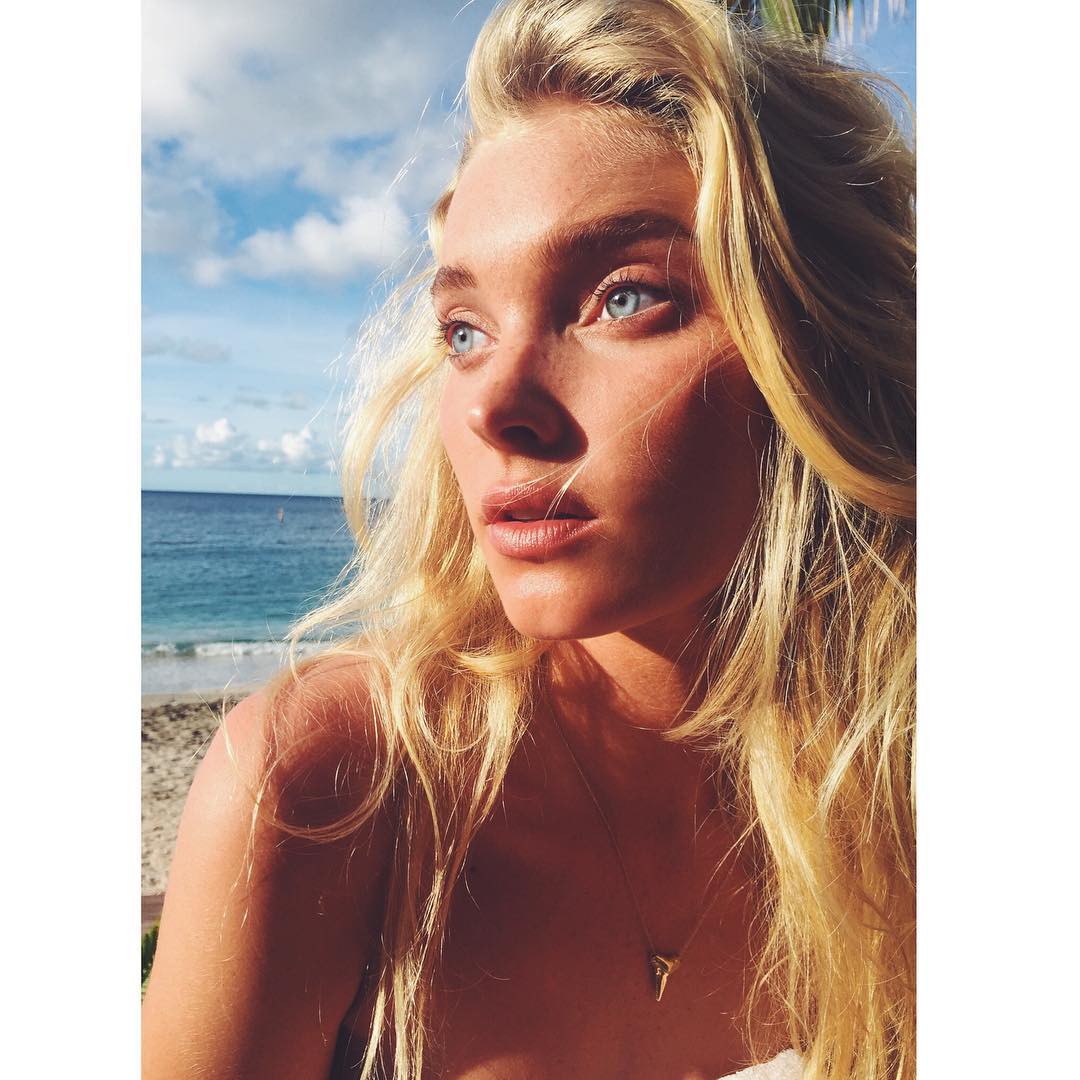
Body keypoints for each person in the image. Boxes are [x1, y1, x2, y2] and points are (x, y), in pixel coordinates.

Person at [141, 1, 915, 1077]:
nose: (495, 404)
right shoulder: (331, 793)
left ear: (823, 347)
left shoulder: (897, 796)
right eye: (464, 331)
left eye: (624, 297)